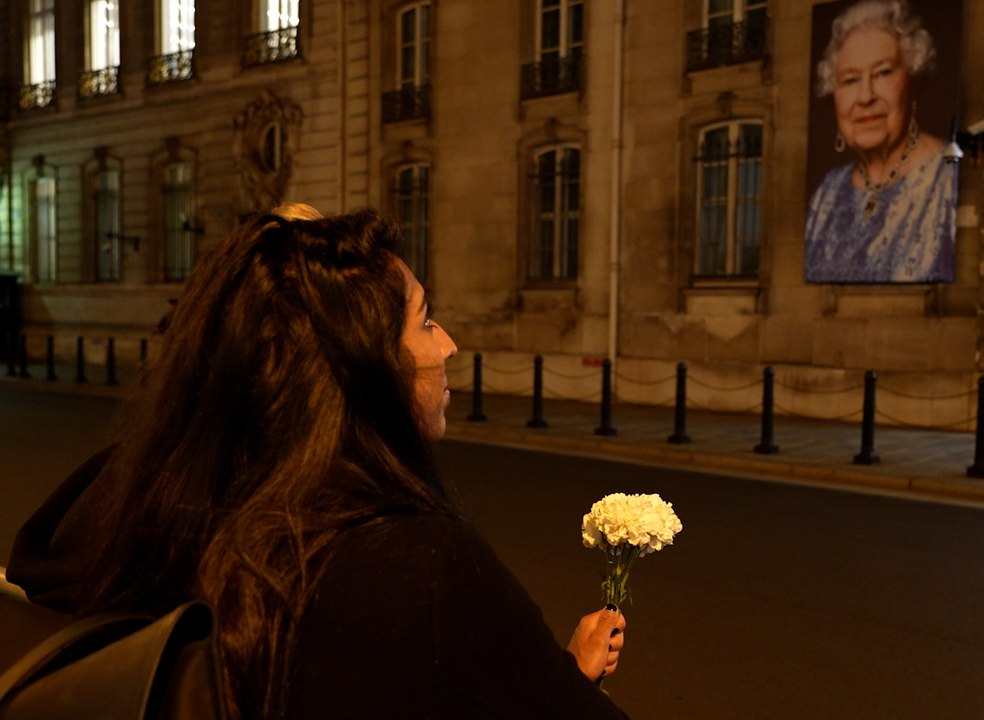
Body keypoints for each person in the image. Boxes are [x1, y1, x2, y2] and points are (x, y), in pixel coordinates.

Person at [7, 204, 629, 719]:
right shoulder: (422, 564)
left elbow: (59, 541)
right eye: (425, 321)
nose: (448, 343)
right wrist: (561, 679)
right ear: (361, 363)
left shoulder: (166, 514)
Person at [804, 0, 957, 284]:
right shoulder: (826, 194)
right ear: (833, 92)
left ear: (911, 79)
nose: (865, 97)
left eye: (883, 73)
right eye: (850, 80)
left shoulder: (947, 176)